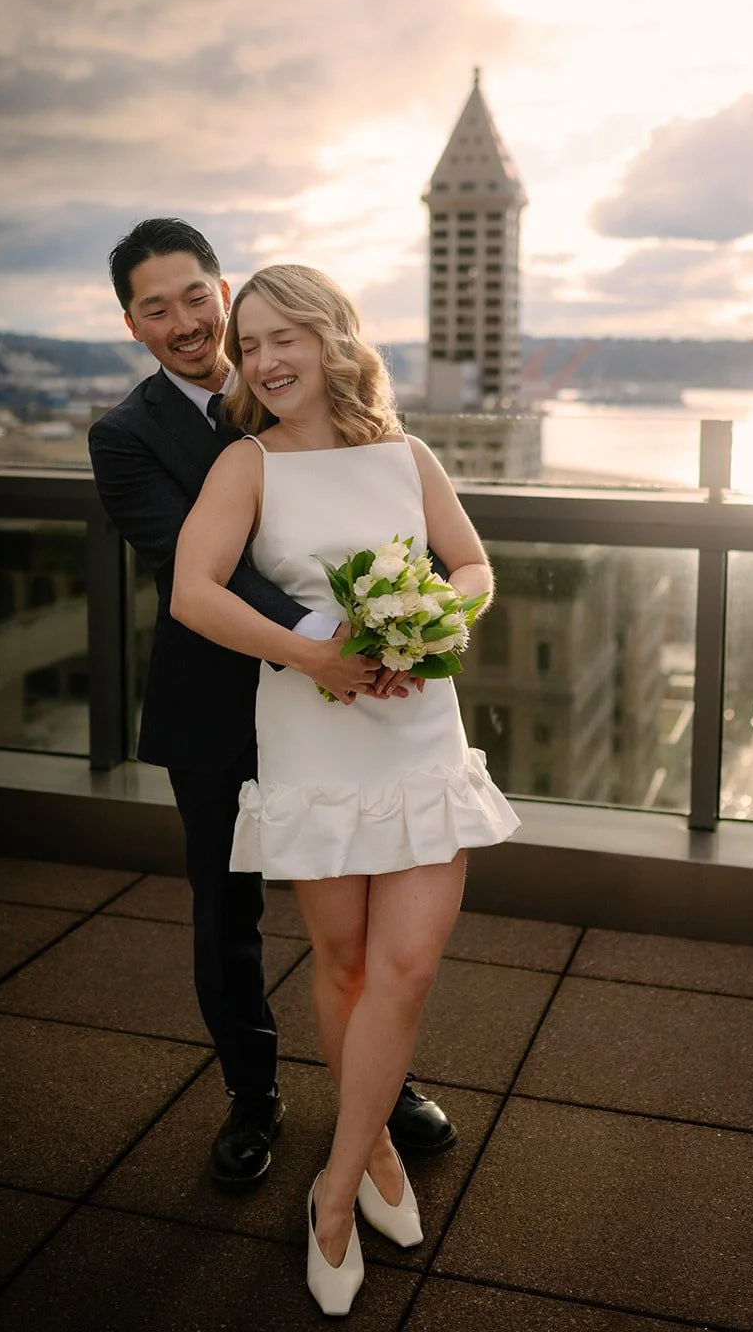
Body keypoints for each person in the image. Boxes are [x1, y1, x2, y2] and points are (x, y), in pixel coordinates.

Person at [170, 262, 520, 1315]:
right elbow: (191, 592)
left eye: (288, 336)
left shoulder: (405, 454)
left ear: (332, 339)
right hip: (311, 727)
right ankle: (370, 1161)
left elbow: (471, 566)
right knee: (346, 961)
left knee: (405, 968)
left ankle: (332, 1181)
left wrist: (435, 620)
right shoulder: (246, 464)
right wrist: (310, 654)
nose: (267, 359)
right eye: (252, 339)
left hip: (415, 728)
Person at [88, 219, 458, 1194]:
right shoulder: (125, 435)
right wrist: (336, 640)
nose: (183, 322)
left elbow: (387, 518)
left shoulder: (310, 398)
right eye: (154, 308)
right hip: (218, 705)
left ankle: (380, 1090)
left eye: (194, 297)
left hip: (351, 706)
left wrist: (389, 633)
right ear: (132, 323)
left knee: (370, 909)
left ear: (223, 290)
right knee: (228, 913)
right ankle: (253, 1097)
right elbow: (192, 565)